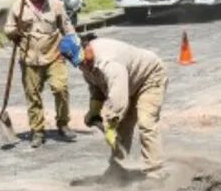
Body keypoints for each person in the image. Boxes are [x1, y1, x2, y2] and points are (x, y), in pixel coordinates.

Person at [59, 33, 169, 179]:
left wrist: (110, 124)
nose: (82, 64)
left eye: (82, 59)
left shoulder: (108, 62)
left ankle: (155, 172)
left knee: (146, 123)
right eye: (78, 62)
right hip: (129, 82)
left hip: (149, 77)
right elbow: (96, 87)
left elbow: (118, 99)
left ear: (86, 46)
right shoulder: (85, 63)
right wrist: (94, 109)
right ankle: (117, 170)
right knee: (123, 128)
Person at [5, 0, 76, 148]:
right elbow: (8, 30)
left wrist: (74, 49)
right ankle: (37, 131)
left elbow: (68, 28)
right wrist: (17, 30)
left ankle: (63, 123)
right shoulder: (18, 6)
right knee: (33, 95)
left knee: (61, 88)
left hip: (54, 54)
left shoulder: (56, 4)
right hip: (30, 58)